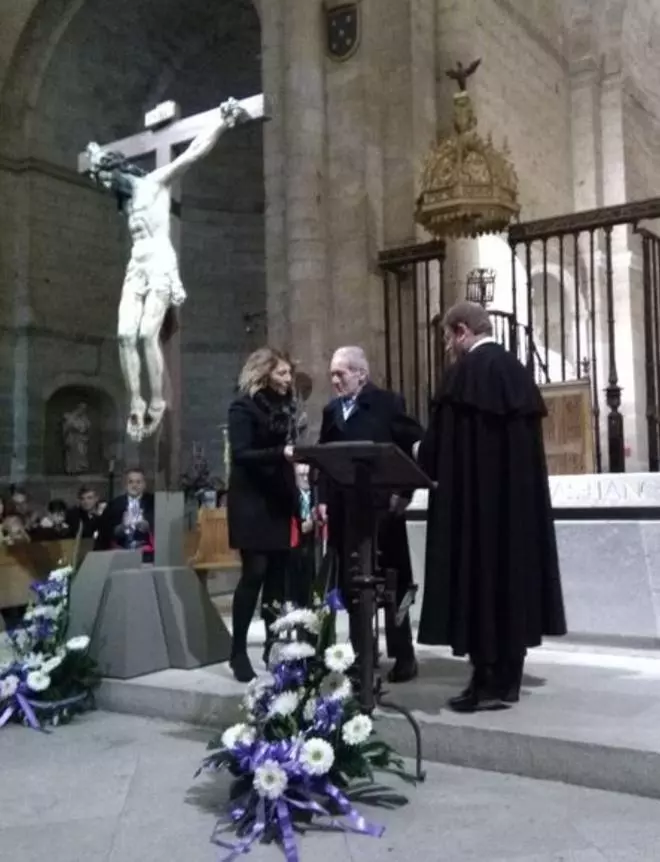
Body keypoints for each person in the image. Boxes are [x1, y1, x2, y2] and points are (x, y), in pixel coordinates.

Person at [416, 300, 566, 713]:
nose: (448, 346)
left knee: (480, 585)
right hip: (517, 513)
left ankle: (484, 683)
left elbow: (438, 448)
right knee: (512, 584)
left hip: (477, 513)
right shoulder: (516, 371)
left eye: (448, 336)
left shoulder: (463, 375)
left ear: (462, 331)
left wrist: (414, 452)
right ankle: (508, 682)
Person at [85, 98, 254, 442]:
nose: (104, 186)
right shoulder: (127, 203)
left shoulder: (154, 183)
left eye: (105, 179)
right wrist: (93, 156)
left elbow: (191, 154)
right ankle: (136, 401)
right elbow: (93, 158)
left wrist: (221, 121)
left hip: (160, 260)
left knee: (147, 335)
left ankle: (158, 402)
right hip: (137, 263)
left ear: (117, 171)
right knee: (123, 336)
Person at [318, 346, 423, 683]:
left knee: (396, 585)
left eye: (341, 373)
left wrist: (405, 493)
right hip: (345, 512)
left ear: (361, 374)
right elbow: (323, 459)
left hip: (383, 511)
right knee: (352, 584)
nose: (335, 380)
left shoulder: (388, 403)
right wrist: (320, 499)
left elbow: (410, 446)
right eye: (332, 374)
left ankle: (404, 654)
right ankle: (361, 652)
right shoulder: (331, 410)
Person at [226, 347, 298, 683]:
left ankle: (273, 646)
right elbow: (241, 454)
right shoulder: (243, 406)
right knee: (254, 573)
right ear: (264, 372)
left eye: (288, 373)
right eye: (282, 373)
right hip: (251, 500)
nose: (288, 379)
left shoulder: (286, 407)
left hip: (279, 499)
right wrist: (280, 452)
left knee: (277, 579)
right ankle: (238, 651)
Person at [97, 468, 155, 560]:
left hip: (147, 554)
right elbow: (105, 532)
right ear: (125, 485)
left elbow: (162, 527)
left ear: (144, 485)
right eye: (130, 482)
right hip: (120, 553)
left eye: (138, 482)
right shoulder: (114, 504)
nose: (134, 485)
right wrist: (121, 528)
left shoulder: (154, 502)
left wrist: (148, 526)